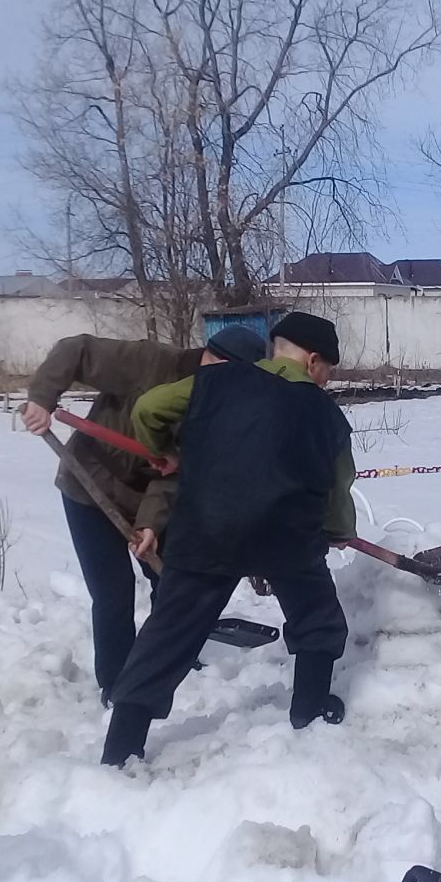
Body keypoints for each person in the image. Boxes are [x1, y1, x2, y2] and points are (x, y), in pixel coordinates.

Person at [98, 312, 355, 766]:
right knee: (317, 618)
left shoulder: (214, 381)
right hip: (287, 538)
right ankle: (310, 711)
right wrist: (337, 531)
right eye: (328, 373)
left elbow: (147, 410)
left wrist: (168, 453)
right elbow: (338, 486)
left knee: (168, 634)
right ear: (314, 362)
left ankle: (121, 750)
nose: (327, 382)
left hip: (206, 530)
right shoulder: (327, 415)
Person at [20, 324, 266, 699]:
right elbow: (77, 350)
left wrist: (150, 523)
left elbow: (174, 475)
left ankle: (164, 659)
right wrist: (42, 397)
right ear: (212, 359)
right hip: (89, 488)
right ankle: (116, 683)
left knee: (170, 583)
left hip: (145, 499)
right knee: (113, 593)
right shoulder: (149, 363)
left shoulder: (216, 409)